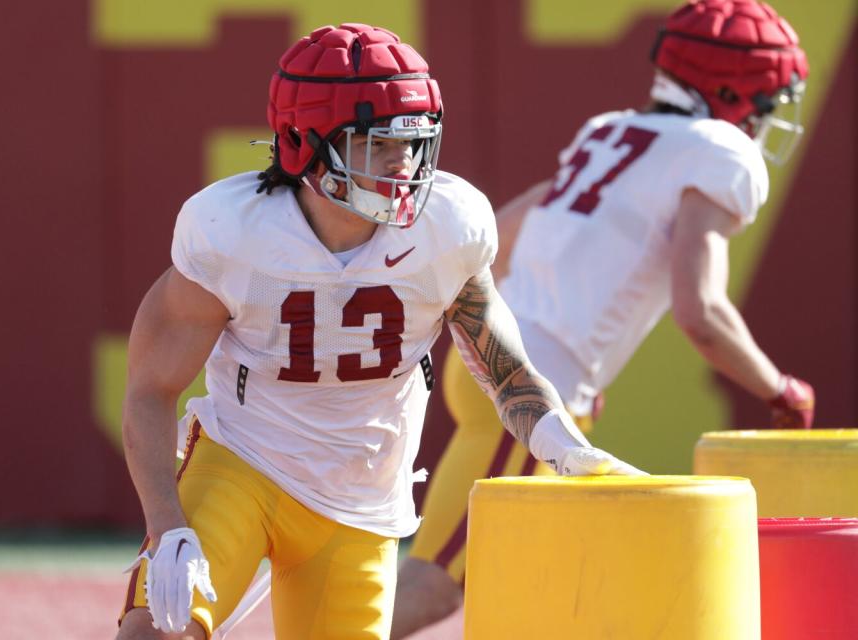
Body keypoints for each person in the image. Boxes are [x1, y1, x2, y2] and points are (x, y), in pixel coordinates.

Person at [115, 23, 641, 640]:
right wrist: (167, 524)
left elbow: (507, 373)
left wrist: (565, 446)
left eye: (415, 143)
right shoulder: (234, 233)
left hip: (360, 504)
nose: (406, 165)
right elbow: (150, 389)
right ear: (303, 143)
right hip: (243, 465)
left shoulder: (447, 228)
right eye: (378, 145)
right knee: (159, 630)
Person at [391, 1, 816, 637]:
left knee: (532, 588)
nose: (764, 119)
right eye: (763, 102)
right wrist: (780, 389)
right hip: (530, 390)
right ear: (732, 91)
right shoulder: (720, 151)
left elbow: (503, 232)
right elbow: (701, 310)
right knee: (437, 584)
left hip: (503, 358)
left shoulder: (611, 131)